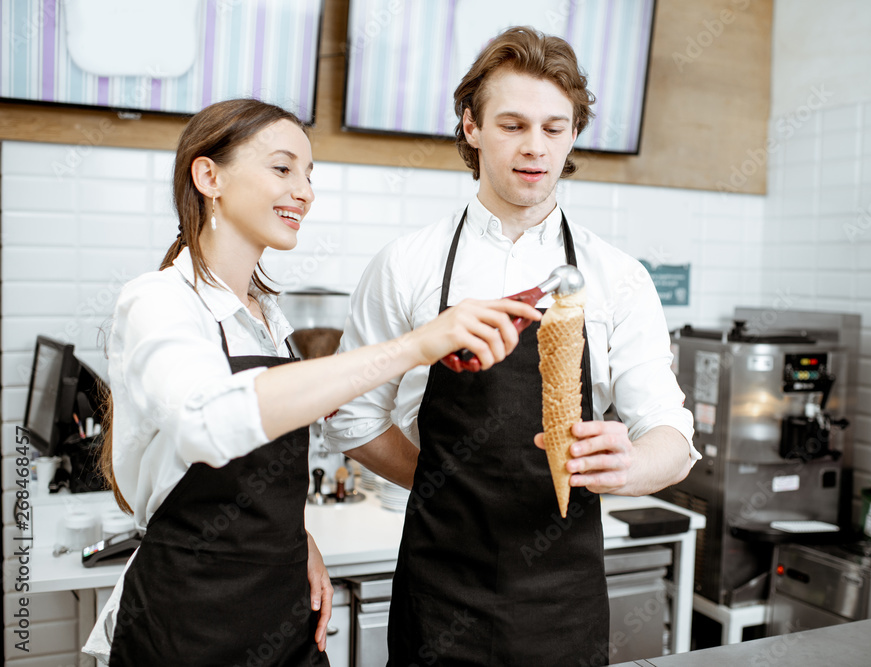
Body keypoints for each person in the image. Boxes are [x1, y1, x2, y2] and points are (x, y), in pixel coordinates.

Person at [82, 98, 539, 667]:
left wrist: (301, 539)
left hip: (285, 616)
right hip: (187, 623)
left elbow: (267, 461)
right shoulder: (158, 302)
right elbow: (210, 421)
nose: (305, 190)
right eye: (282, 168)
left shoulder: (269, 319)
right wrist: (416, 346)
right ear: (208, 176)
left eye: (309, 174)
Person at [327, 26, 700, 666]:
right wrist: (446, 479)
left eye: (555, 128)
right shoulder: (406, 265)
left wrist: (632, 466)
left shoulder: (618, 277)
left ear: (574, 134)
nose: (535, 148)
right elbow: (354, 418)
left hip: (561, 601)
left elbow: (672, 435)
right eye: (513, 125)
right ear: (471, 126)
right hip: (439, 593)